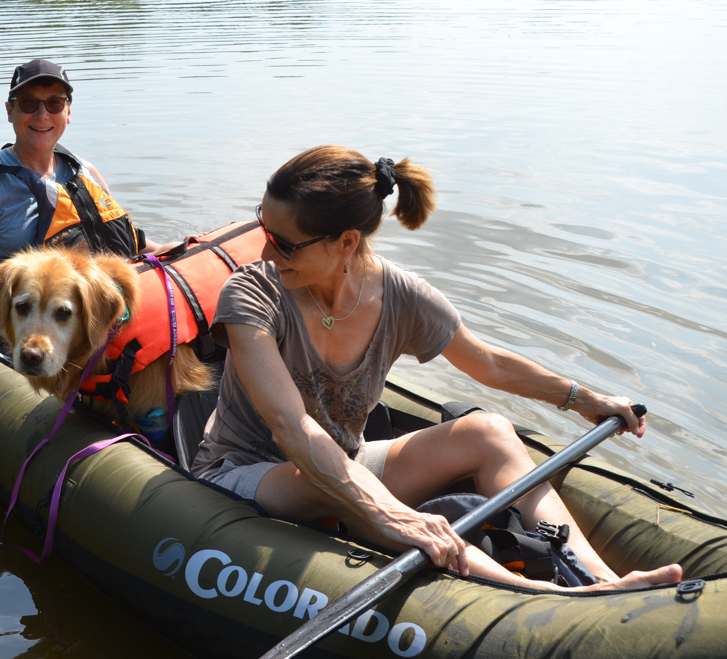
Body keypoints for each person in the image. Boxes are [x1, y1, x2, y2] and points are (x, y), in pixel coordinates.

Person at [190, 145, 682, 591]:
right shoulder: (252, 293)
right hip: (246, 471)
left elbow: (488, 363)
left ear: (344, 242)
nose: (265, 252)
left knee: (489, 431)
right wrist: (387, 513)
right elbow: (290, 426)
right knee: (326, 480)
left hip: (344, 461)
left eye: (285, 243)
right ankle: (550, 597)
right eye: (264, 230)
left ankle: (598, 577)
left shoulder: (400, 295)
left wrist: (587, 400)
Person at [0, 58, 160, 330]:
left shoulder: (86, 171)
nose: (42, 115)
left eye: (54, 103)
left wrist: (172, 251)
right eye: (28, 103)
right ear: (10, 110)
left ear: (68, 111)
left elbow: (126, 240)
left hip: (103, 311)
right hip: (37, 328)